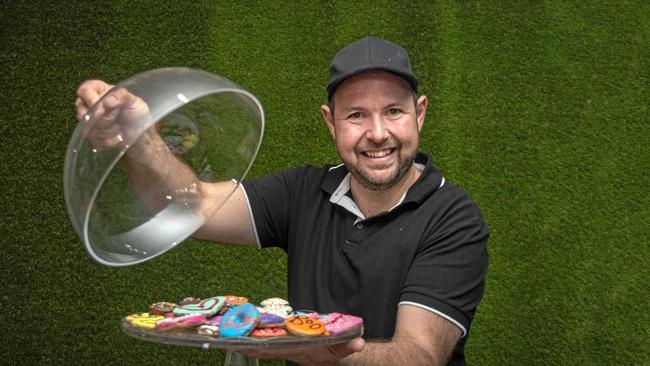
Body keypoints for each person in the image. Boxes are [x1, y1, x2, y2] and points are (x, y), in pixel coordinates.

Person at [75, 36, 489, 366]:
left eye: (394, 111)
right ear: (331, 122)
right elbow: (192, 208)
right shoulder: (305, 191)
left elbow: (419, 356)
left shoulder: (453, 218)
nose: (378, 133)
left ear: (419, 114)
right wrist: (139, 136)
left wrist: (316, 352)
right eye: (357, 115)